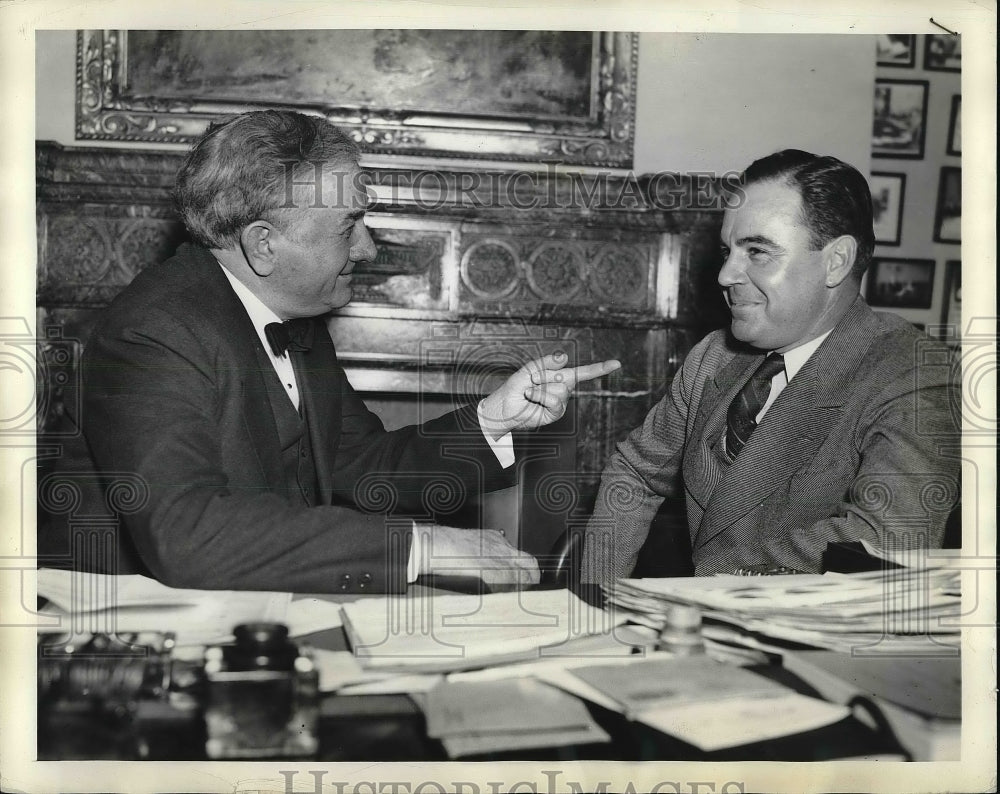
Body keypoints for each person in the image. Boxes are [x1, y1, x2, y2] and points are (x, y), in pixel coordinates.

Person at [51, 110, 619, 594]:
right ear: (263, 244)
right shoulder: (153, 332)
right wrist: (420, 546)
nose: (368, 248)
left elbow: (363, 467)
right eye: (349, 227)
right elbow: (187, 535)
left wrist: (494, 420)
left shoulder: (289, 317)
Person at [582, 149, 960, 581]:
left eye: (757, 251)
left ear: (836, 262)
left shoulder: (913, 374)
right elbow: (634, 472)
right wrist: (597, 604)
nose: (726, 274)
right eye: (728, 250)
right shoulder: (713, 357)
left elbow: (887, 543)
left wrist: (709, 592)